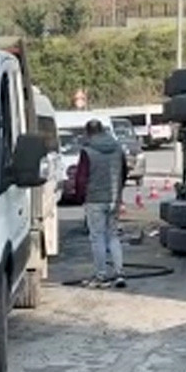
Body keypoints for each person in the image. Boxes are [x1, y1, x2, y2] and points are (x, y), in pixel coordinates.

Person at [71, 119, 129, 288]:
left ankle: (101, 275)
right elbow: (124, 171)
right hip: (113, 199)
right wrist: (118, 191)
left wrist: (79, 197)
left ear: (88, 132)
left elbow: (81, 178)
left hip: (95, 199)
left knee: (97, 237)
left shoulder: (87, 151)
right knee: (113, 235)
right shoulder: (117, 148)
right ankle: (119, 273)